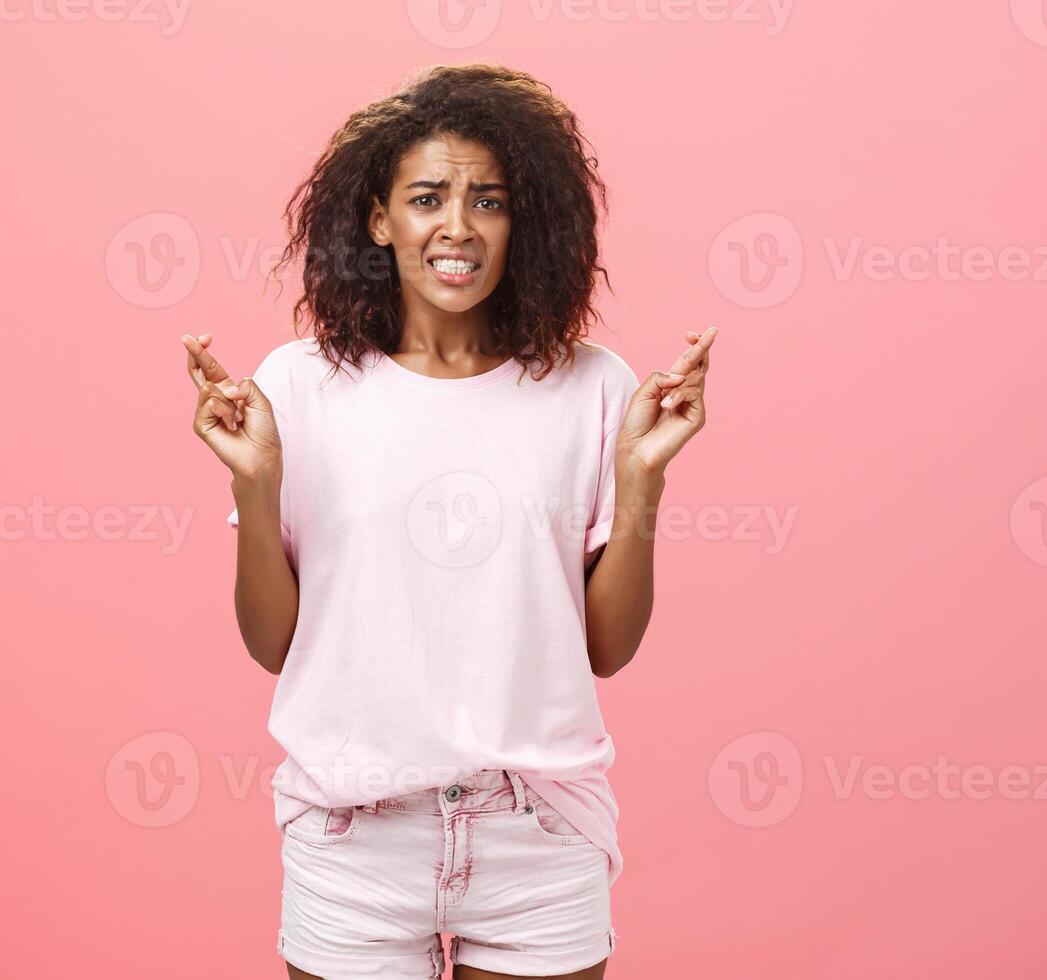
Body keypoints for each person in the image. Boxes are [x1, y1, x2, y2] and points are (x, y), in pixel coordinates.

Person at [179, 63, 712, 979]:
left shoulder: (592, 386)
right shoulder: (300, 387)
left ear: (524, 222)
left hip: (537, 830)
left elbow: (608, 649)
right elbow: (274, 648)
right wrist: (254, 487)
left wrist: (641, 482)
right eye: (427, 197)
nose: (457, 227)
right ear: (379, 220)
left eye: (489, 200)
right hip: (355, 836)